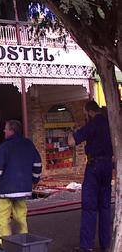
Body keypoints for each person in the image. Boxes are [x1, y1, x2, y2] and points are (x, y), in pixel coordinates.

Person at [68, 100, 113, 252]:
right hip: (108, 166)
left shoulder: (92, 124)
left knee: (89, 206)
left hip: (94, 166)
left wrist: (72, 132)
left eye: (84, 113)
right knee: (105, 206)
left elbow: (72, 142)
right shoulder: (110, 123)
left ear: (89, 111)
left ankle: (86, 246)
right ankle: (106, 243)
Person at [0, 119, 42, 243]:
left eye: (6, 128)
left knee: (3, 219)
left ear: (11, 130)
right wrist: (35, 179)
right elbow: (37, 164)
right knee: (20, 218)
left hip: (5, 191)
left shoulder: (4, 147)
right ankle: (23, 244)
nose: (4, 130)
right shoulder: (28, 144)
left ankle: (6, 245)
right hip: (23, 189)